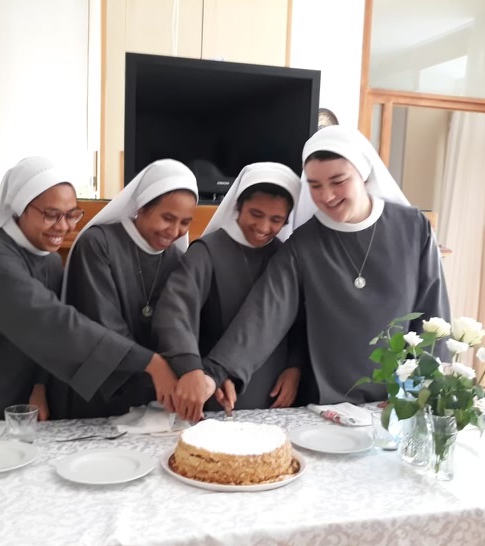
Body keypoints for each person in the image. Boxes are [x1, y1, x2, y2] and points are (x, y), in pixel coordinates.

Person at [182, 125, 451, 419]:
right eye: (315, 185)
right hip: (327, 403)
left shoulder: (413, 228)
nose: (327, 195)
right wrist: (215, 372)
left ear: (363, 173)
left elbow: (433, 315)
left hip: (398, 399)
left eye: (338, 181)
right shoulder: (304, 244)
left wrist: (421, 389)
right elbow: (264, 314)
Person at [0, 157, 176, 422]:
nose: (63, 226)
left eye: (72, 215)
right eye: (51, 215)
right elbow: (53, 323)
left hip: (17, 404)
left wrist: (39, 386)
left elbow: (44, 342)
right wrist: (148, 361)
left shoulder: (49, 259)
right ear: (21, 208)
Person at [152, 163, 307, 422]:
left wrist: (295, 367)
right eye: (256, 214)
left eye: (276, 220)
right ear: (238, 206)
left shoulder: (284, 256)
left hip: (276, 391)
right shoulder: (206, 253)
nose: (263, 226)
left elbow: (299, 322)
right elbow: (175, 315)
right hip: (215, 389)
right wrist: (194, 370)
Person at [56, 158, 198, 418]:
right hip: (102, 390)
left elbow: (177, 326)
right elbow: (102, 323)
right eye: (167, 218)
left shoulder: (176, 259)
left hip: (154, 394)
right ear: (142, 207)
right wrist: (157, 371)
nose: (175, 231)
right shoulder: (98, 244)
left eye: (185, 222)